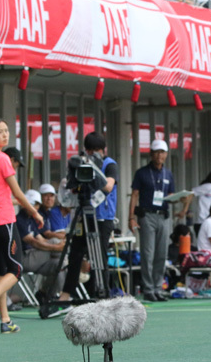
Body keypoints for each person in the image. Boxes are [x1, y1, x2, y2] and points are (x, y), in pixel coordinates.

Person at [0, 118, 43, 334]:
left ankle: (5, 320)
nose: (5, 135)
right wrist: (34, 212)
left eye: (6, 131)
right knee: (16, 269)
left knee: (1, 269)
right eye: (0, 132)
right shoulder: (2, 158)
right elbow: (18, 193)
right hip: (3, 221)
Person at [57, 131, 119, 306]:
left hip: (102, 218)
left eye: (97, 150)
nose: (93, 154)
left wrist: (95, 171)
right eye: (90, 151)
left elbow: (108, 185)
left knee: (100, 256)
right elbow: (72, 186)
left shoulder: (110, 164)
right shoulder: (82, 164)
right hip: (82, 215)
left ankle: (103, 294)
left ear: (104, 150)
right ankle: (65, 295)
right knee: (75, 254)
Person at [129, 139, 177, 302]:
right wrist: (131, 217)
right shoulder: (142, 173)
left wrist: (180, 198)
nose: (159, 155)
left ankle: (158, 288)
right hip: (147, 215)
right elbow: (135, 195)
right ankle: (148, 288)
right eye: (156, 152)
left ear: (166, 154)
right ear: (151, 154)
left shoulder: (168, 173)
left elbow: (171, 195)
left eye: (162, 152)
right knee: (147, 253)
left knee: (162, 253)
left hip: (163, 215)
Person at [16, 189, 65, 302]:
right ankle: (72, 258)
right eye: (34, 204)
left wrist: (59, 245)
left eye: (37, 205)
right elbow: (34, 242)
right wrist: (57, 247)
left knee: (60, 264)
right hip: (26, 259)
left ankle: (46, 294)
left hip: (38, 259)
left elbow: (41, 239)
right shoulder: (19, 220)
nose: (36, 207)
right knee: (53, 242)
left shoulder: (31, 219)